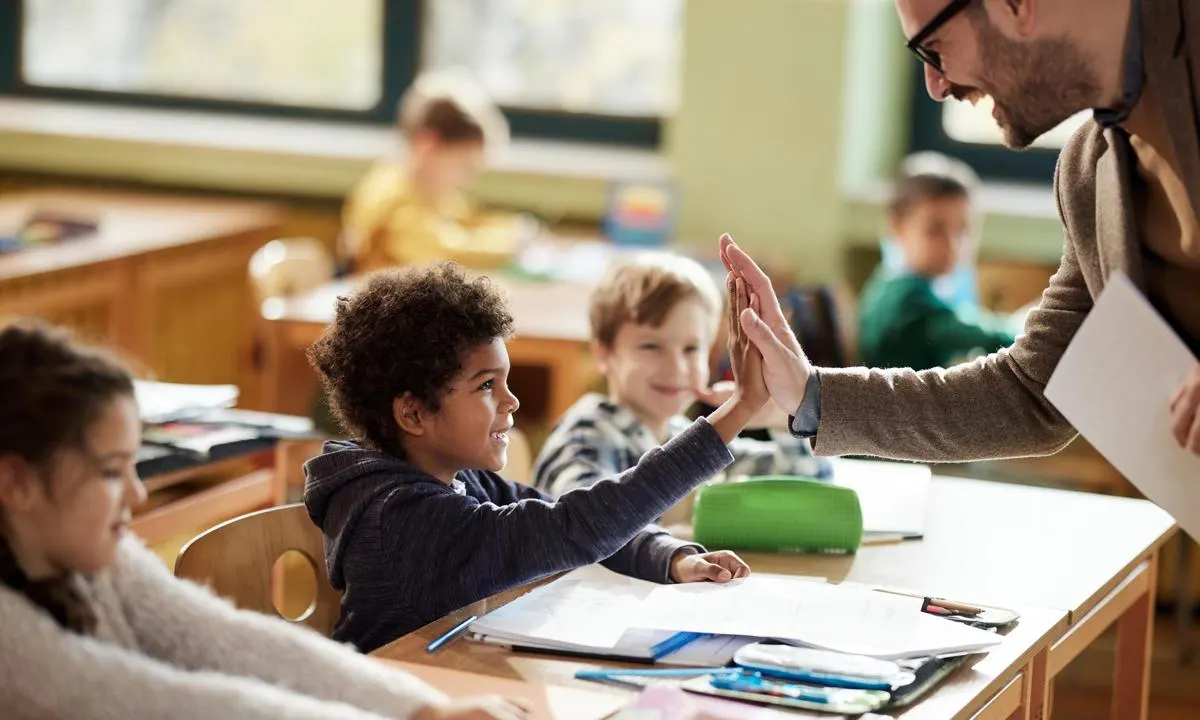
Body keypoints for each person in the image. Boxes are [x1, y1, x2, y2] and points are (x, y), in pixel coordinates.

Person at [718, 0, 1200, 461]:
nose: (936, 86)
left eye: (935, 48)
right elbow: (1033, 390)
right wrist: (810, 393)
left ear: (1015, 4)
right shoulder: (1088, 173)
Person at [0, 319, 527, 720]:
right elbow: (166, 703)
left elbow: (226, 639)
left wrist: (424, 710)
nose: (137, 494)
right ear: (15, 483)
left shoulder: (97, 558)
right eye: (111, 472)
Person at [303, 263, 764, 653]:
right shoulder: (405, 519)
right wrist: (737, 410)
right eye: (487, 385)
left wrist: (669, 557)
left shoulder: (456, 478)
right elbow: (575, 528)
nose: (512, 402)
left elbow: (574, 517)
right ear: (414, 413)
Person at [533, 252, 831, 503]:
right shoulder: (586, 436)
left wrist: (782, 420)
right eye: (651, 346)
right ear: (604, 354)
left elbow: (808, 483)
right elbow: (586, 524)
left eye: (691, 349)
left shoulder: (681, 436)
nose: (676, 368)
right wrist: (672, 551)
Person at [340, 69, 535, 274]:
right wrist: (512, 245)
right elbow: (443, 253)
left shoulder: (425, 188)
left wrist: (516, 229)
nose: (467, 181)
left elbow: (467, 221)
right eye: (464, 166)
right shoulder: (392, 198)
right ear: (428, 145)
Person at [859, 152, 1017, 370]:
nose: (953, 245)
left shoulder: (892, 282)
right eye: (935, 230)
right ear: (896, 227)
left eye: (963, 230)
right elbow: (996, 338)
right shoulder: (908, 301)